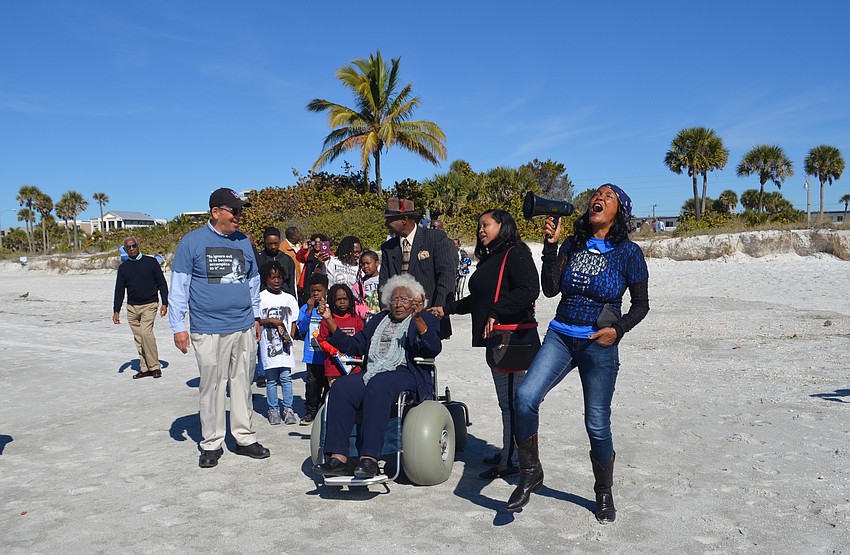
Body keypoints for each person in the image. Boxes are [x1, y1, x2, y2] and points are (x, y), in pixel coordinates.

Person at [507, 183, 650, 523]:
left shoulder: (628, 254)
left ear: (620, 212)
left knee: (596, 423)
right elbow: (551, 289)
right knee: (525, 396)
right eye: (596, 195)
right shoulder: (573, 243)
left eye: (609, 196)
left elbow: (641, 305)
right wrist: (550, 246)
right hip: (560, 335)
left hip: (598, 345)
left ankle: (603, 492)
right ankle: (530, 472)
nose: (598, 199)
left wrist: (619, 329)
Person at [429, 210, 539, 480]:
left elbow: (529, 290)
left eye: (486, 224)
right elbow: (478, 299)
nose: (480, 229)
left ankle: (512, 459)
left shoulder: (515, 253)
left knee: (512, 402)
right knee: (508, 402)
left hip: (512, 339)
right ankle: (508, 452)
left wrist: (497, 311)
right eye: (479, 225)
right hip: (498, 339)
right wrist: (447, 309)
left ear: (503, 226)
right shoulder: (493, 257)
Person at [168, 187, 270, 468]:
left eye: (241, 211)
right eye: (234, 211)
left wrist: (257, 318)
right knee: (212, 385)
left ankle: (244, 437)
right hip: (208, 328)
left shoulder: (243, 242)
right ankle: (211, 442)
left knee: (242, 384)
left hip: (243, 326)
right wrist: (178, 326)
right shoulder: (192, 243)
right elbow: (179, 288)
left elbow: (253, 284)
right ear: (216, 212)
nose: (239, 216)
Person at [312, 274, 442, 479]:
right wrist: (329, 319)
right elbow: (355, 346)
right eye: (395, 299)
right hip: (373, 371)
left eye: (404, 299)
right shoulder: (379, 319)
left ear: (416, 302)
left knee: (378, 384)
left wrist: (417, 319)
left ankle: (369, 459)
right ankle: (338, 458)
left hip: (406, 372)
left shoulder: (425, 319)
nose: (398, 304)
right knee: (341, 387)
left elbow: (432, 348)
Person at [380, 198, 457, 339]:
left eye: (390, 220)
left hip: (428, 315)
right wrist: (386, 312)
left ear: (404, 219)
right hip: (397, 319)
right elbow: (384, 283)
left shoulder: (435, 239)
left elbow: (446, 276)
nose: (386, 224)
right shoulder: (388, 248)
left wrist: (438, 310)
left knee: (425, 359)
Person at [113, 236, 169, 379]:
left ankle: (155, 367)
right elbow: (119, 290)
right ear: (125, 250)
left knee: (146, 334)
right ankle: (145, 368)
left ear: (138, 246)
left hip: (149, 305)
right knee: (138, 338)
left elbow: (162, 283)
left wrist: (165, 303)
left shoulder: (151, 262)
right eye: (128, 247)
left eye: (133, 246)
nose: (131, 249)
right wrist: (116, 310)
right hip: (132, 307)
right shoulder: (123, 268)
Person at [258, 260, 300, 425]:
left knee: (286, 378)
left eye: (279, 277)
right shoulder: (261, 298)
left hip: (285, 347)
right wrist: (271, 320)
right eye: (272, 277)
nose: (276, 281)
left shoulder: (289, 298)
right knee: (271, 379)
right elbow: (257, 320)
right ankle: (273, 409)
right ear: (265, 279)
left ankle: (288, 408)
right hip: (268, 347)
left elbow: (294, 320)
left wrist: (290, 336)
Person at [296, 273, 329, 425]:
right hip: (311, 355)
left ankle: (324, 409)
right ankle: (311, 411)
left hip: (327, 355)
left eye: (319, 290)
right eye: (313, 291)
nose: (315, 294)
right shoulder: (305, 308)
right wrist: (309, 311)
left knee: (327, 384)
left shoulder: (330, 309)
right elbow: (302, 329)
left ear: (326, 291)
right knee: (312, 385)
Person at [317, 284, 365, 387]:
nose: (342, 302)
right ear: (333, 301)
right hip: (334, 368)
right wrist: (335, 351)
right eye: (339, 299)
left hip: (354, 367)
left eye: (345, 299)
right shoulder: (328, 319)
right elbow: (322, 340)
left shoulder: (355, 319)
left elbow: (362, 339)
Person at [256, 227, 296, 297]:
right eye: (270, 244)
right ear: (265, 242)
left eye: (276, 243)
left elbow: (291, 284)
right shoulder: (258, 259)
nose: (273, 247)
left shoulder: (287, 260)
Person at [297, 233, 331, 305]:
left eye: (320, 242)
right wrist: (304, 249)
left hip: (322, 284)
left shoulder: (329, 254)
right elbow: (299, 258)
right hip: (307, 284)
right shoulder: (308, 253)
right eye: (315, 242)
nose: (317, 244)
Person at [355, 250, 381, 318]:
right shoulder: (359, 284)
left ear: (377, 263)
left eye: (368, 263)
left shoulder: (384, 280)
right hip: (368, 316)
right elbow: (357, 303)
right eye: (363, 264)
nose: (365, 266)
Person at [282, 226, 303, 295]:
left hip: (302, 283)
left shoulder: (301, 246)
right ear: (292, 236)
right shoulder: (282, 248)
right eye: (298, 233)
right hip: (292, 283)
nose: (299, 235)